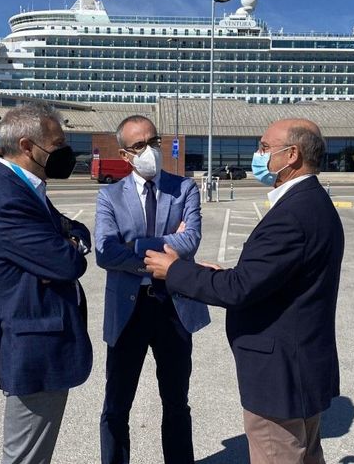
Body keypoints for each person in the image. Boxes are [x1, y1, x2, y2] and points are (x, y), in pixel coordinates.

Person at [145, 119, 344, 464]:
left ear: (292, 155)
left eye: (265, 147)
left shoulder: (292, 214)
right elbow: (268, 278)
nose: (258, 154)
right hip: (301, 365)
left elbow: (239, 291)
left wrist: (174, 270)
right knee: (307, 455)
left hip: (279, 374)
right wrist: (215, 273)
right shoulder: (313, 202)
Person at [0, 103, 92, 464]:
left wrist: (64, 241)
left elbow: (76, 232)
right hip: (35, 349)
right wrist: (64, 248)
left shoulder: (27, 187)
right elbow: (68, 261)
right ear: (28, 146)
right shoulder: (8, 200)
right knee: (25, 457)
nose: (65, 153)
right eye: (57, 145)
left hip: (45, 343)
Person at [95, 115, 209, 464]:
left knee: (176, 401)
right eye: (140, 146)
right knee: (117, 404)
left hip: (172, 306)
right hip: (128, 309)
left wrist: (133, 246)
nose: (150, 151)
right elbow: (104, 251)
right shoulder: (109, 195)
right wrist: (160, 248)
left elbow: (190, 240)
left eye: (154, 142)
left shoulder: (184, 187)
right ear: (125, 154)